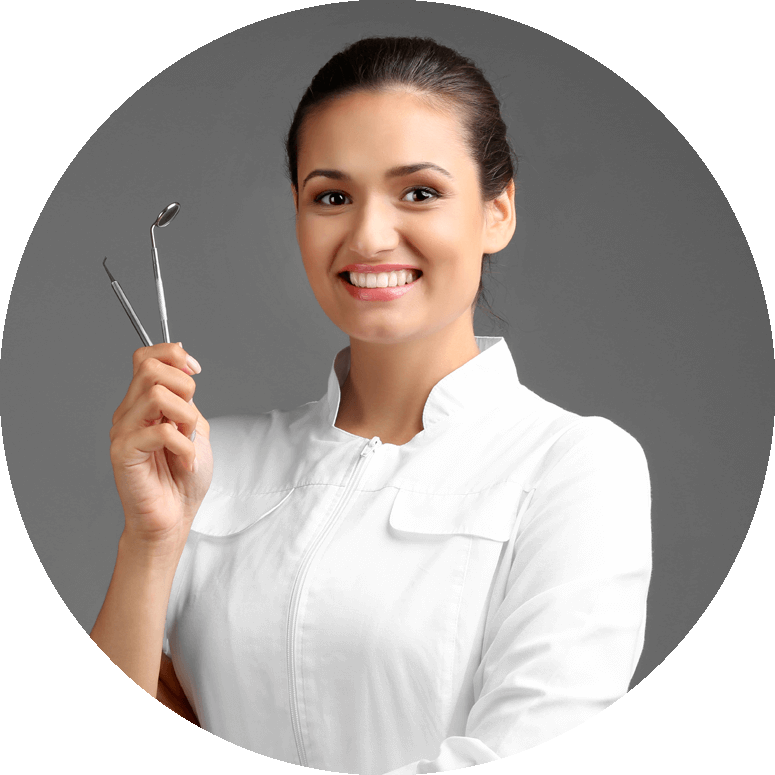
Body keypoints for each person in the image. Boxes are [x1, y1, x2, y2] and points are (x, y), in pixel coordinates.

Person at [91, 36, 652, 771]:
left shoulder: (574, 467)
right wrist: (152, 541)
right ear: (297, 213)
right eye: (332, 196)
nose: (368, 234)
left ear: (497, 212)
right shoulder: (206, 461)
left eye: (419, 191)